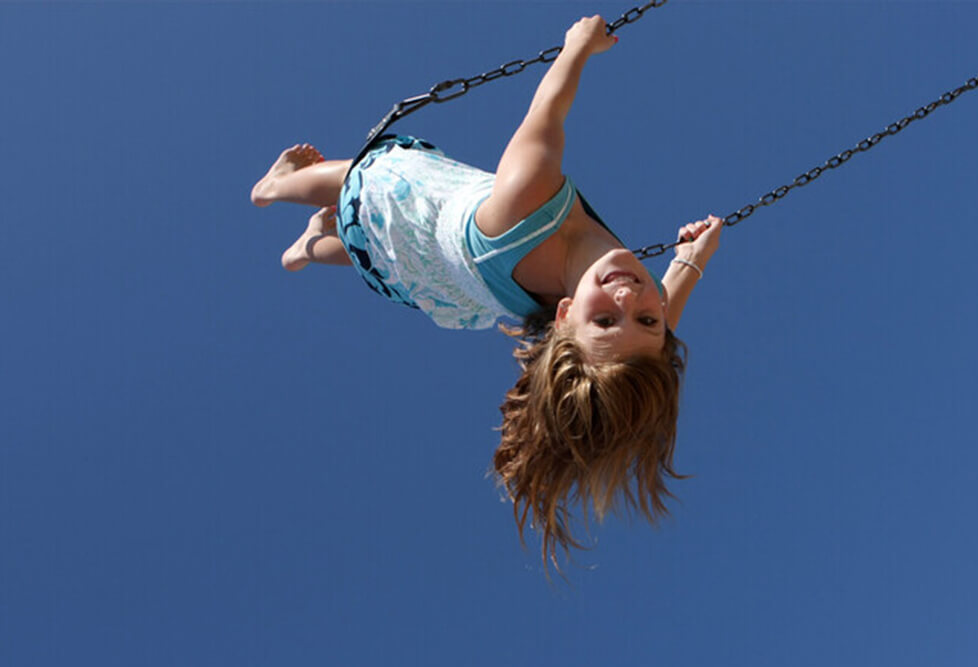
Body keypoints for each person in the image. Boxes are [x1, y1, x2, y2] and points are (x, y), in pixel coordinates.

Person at [251, 15, 723, 571]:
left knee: (356, 180)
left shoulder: (526, 197)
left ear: (565, 316)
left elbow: (545, 113)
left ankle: (275, 188)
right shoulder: (643, 314)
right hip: (437, 274)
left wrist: (577, 48)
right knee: (367, 253)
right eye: (644, 321)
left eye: (605, 323)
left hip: (418, 210)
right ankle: (307, 249)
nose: (630, 301)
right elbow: (664, 314)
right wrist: (694, 258)